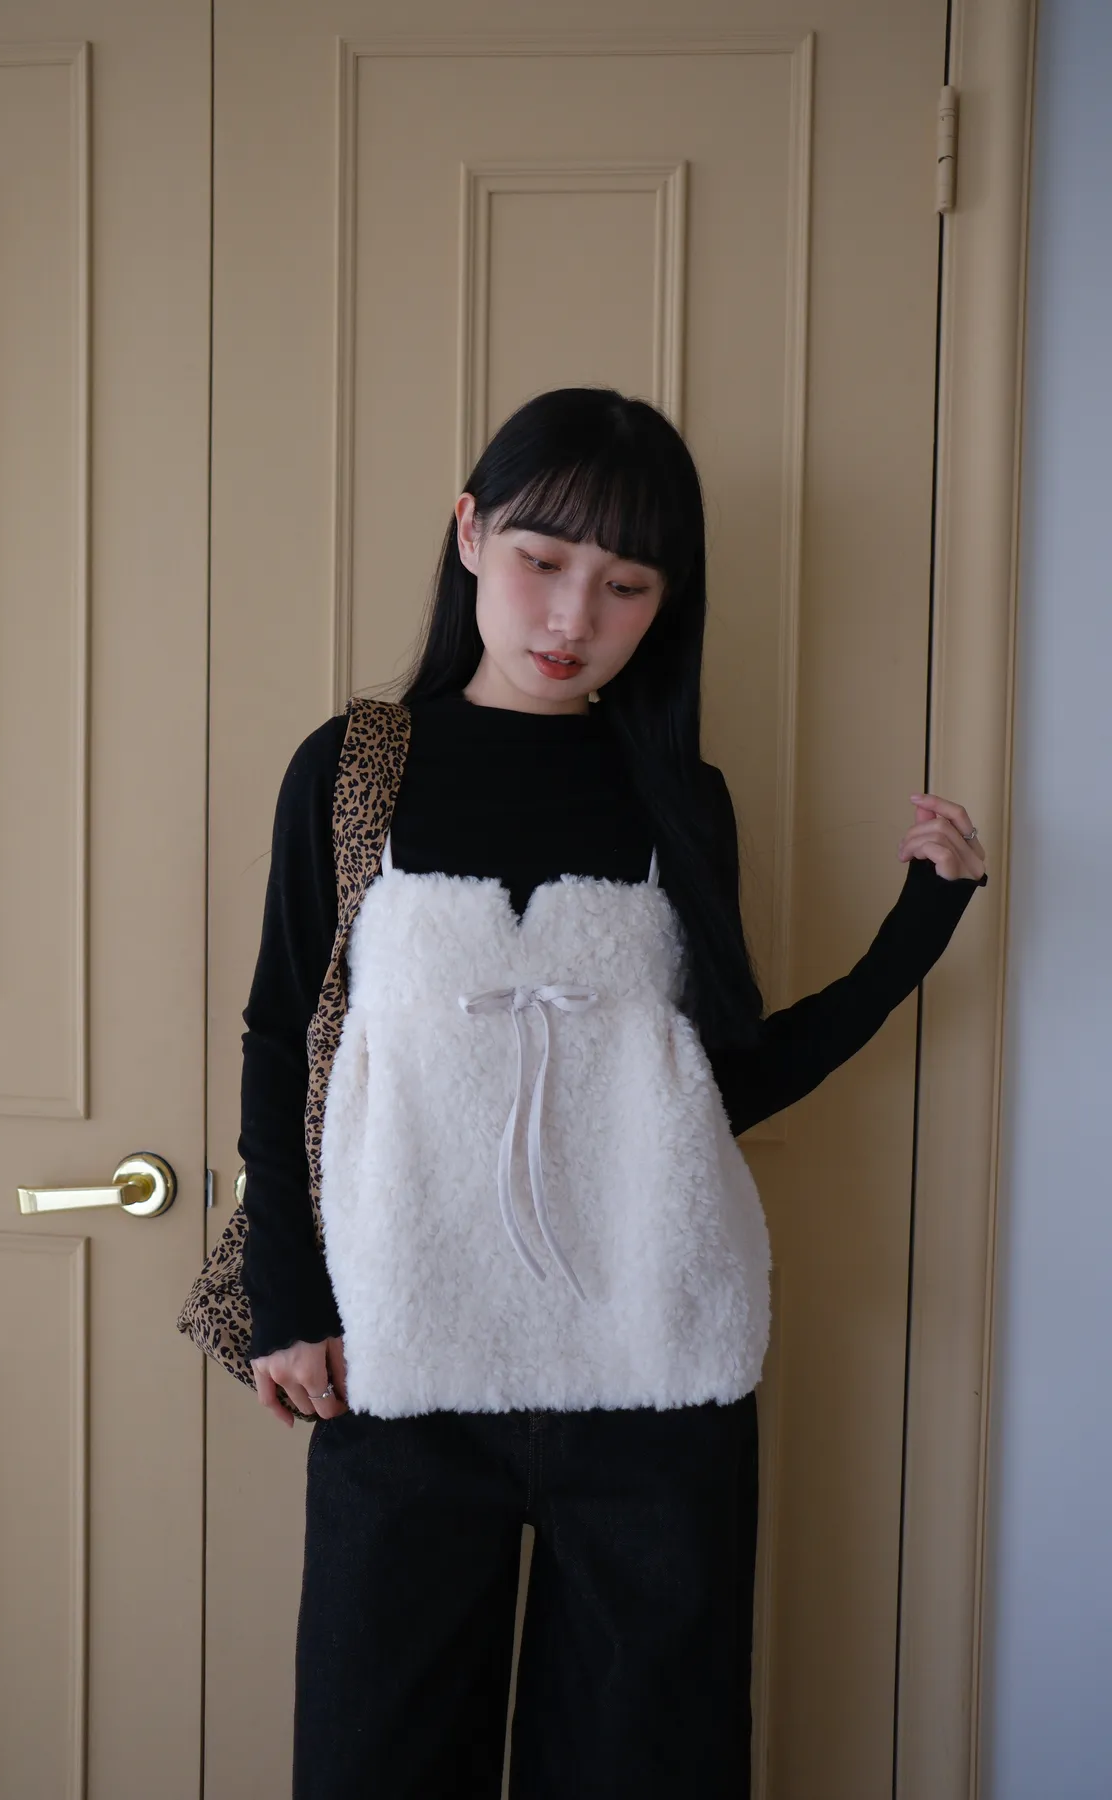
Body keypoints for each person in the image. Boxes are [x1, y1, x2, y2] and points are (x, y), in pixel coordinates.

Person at [238, 387, 988, 1799]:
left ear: (665, 602)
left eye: (627, 584)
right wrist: (287, 1302)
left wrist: (916, 934)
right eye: (542, 559)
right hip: (403, 1367)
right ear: (471, 534)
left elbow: (718, 1083)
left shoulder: (677, 797)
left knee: (649, 1765)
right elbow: (284, 1040)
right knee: (375, 1759)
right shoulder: (353, 769)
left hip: (655, 1365)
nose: (572, 614)